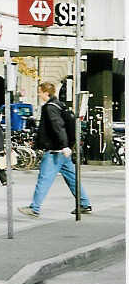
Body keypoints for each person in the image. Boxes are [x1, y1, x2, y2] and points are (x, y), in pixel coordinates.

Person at [19, 82, 92, 218]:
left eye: (40, 92)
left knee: (44, 179)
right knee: (72, 178)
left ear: (46, 93)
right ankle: (84, 203)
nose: (38, 94)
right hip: (63, 151)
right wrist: (68, 146)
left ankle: (34, 208)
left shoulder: (49, 108)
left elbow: (57, 126)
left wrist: (63, 145)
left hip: (55, 151)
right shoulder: (60, 105)